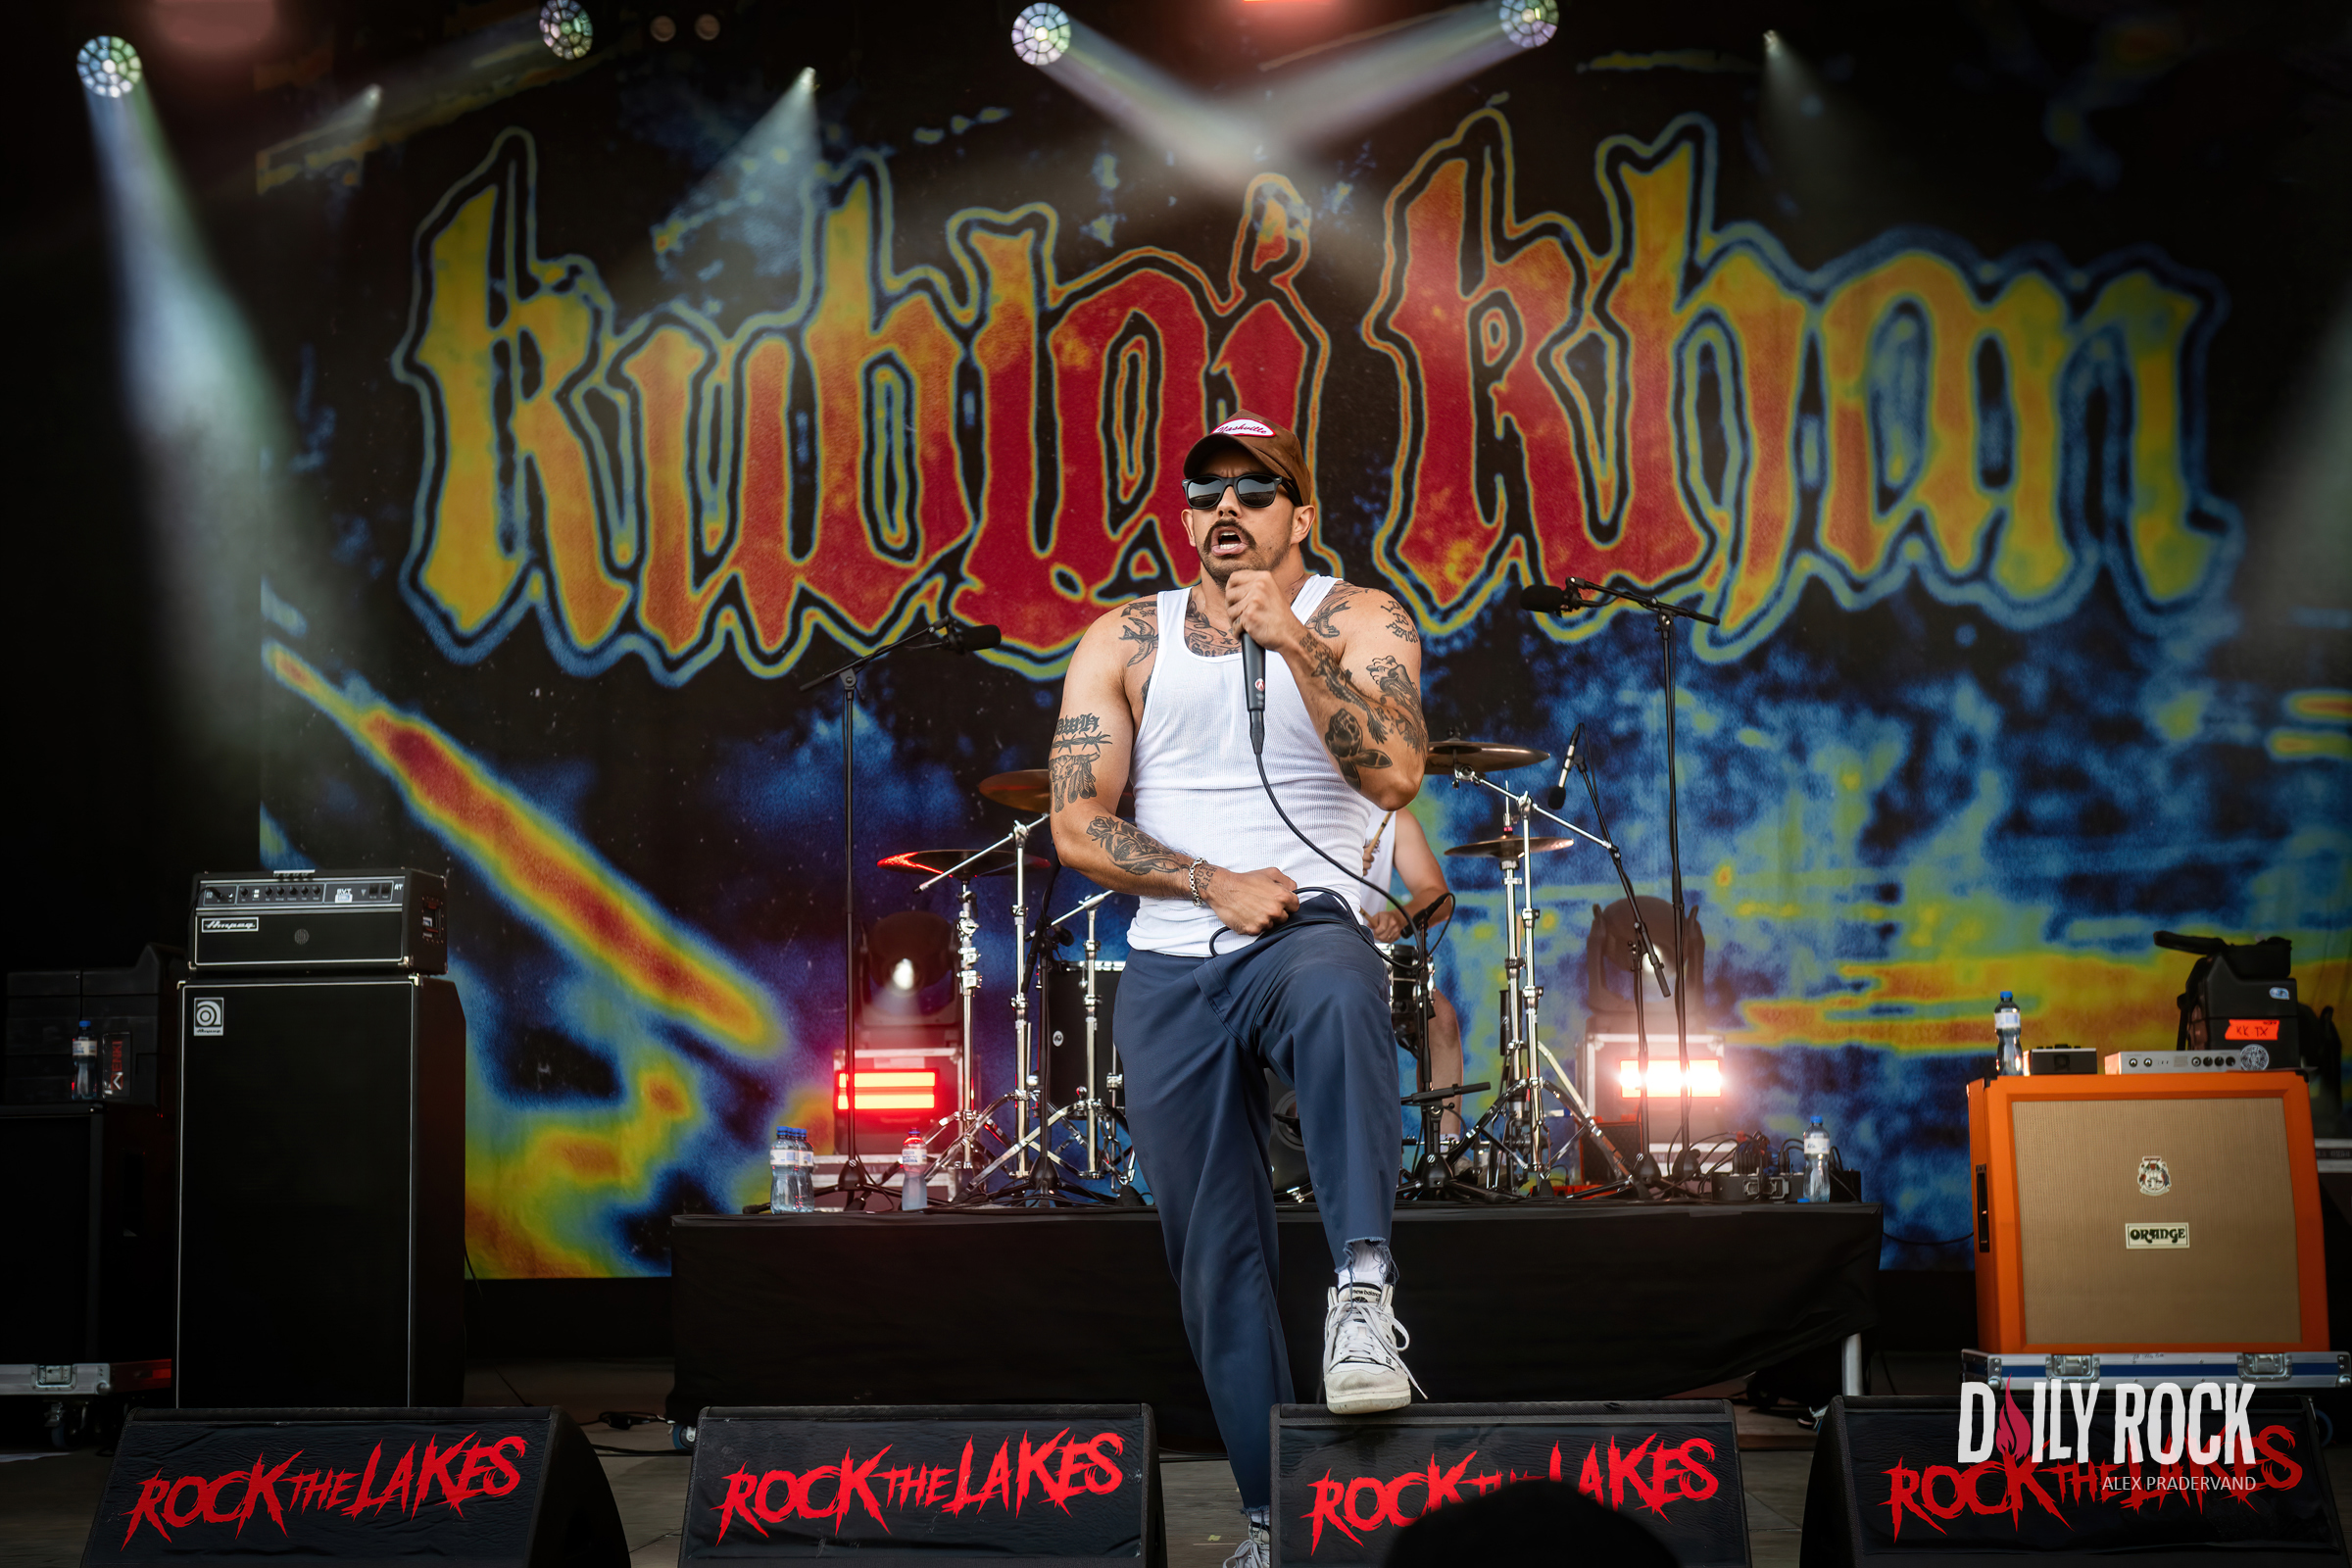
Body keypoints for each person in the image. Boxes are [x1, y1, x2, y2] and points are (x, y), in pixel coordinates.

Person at [1049, 412, 1431, 1568]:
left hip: (1306, 927)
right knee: (1214, 1259)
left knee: (1337, 983)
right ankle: (1276, 1521)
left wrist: (1294, 642)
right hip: (1175, 955)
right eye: (1206, 488)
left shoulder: (1361, 618)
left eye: (1255, 489)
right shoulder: (1124, 637)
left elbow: (1398, 773)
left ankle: (1361, 1289)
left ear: (1299, 514)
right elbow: (1075, 822)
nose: (1227, 506)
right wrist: (1209, 880)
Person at [1360, 809, 1466, 1140]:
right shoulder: (1301, 800)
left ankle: (1444, 1150)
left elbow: (1437, 896)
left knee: (1440, 1018)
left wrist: (1399, 917)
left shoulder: (1391, 817)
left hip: (1369, 957)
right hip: (1307, 951)